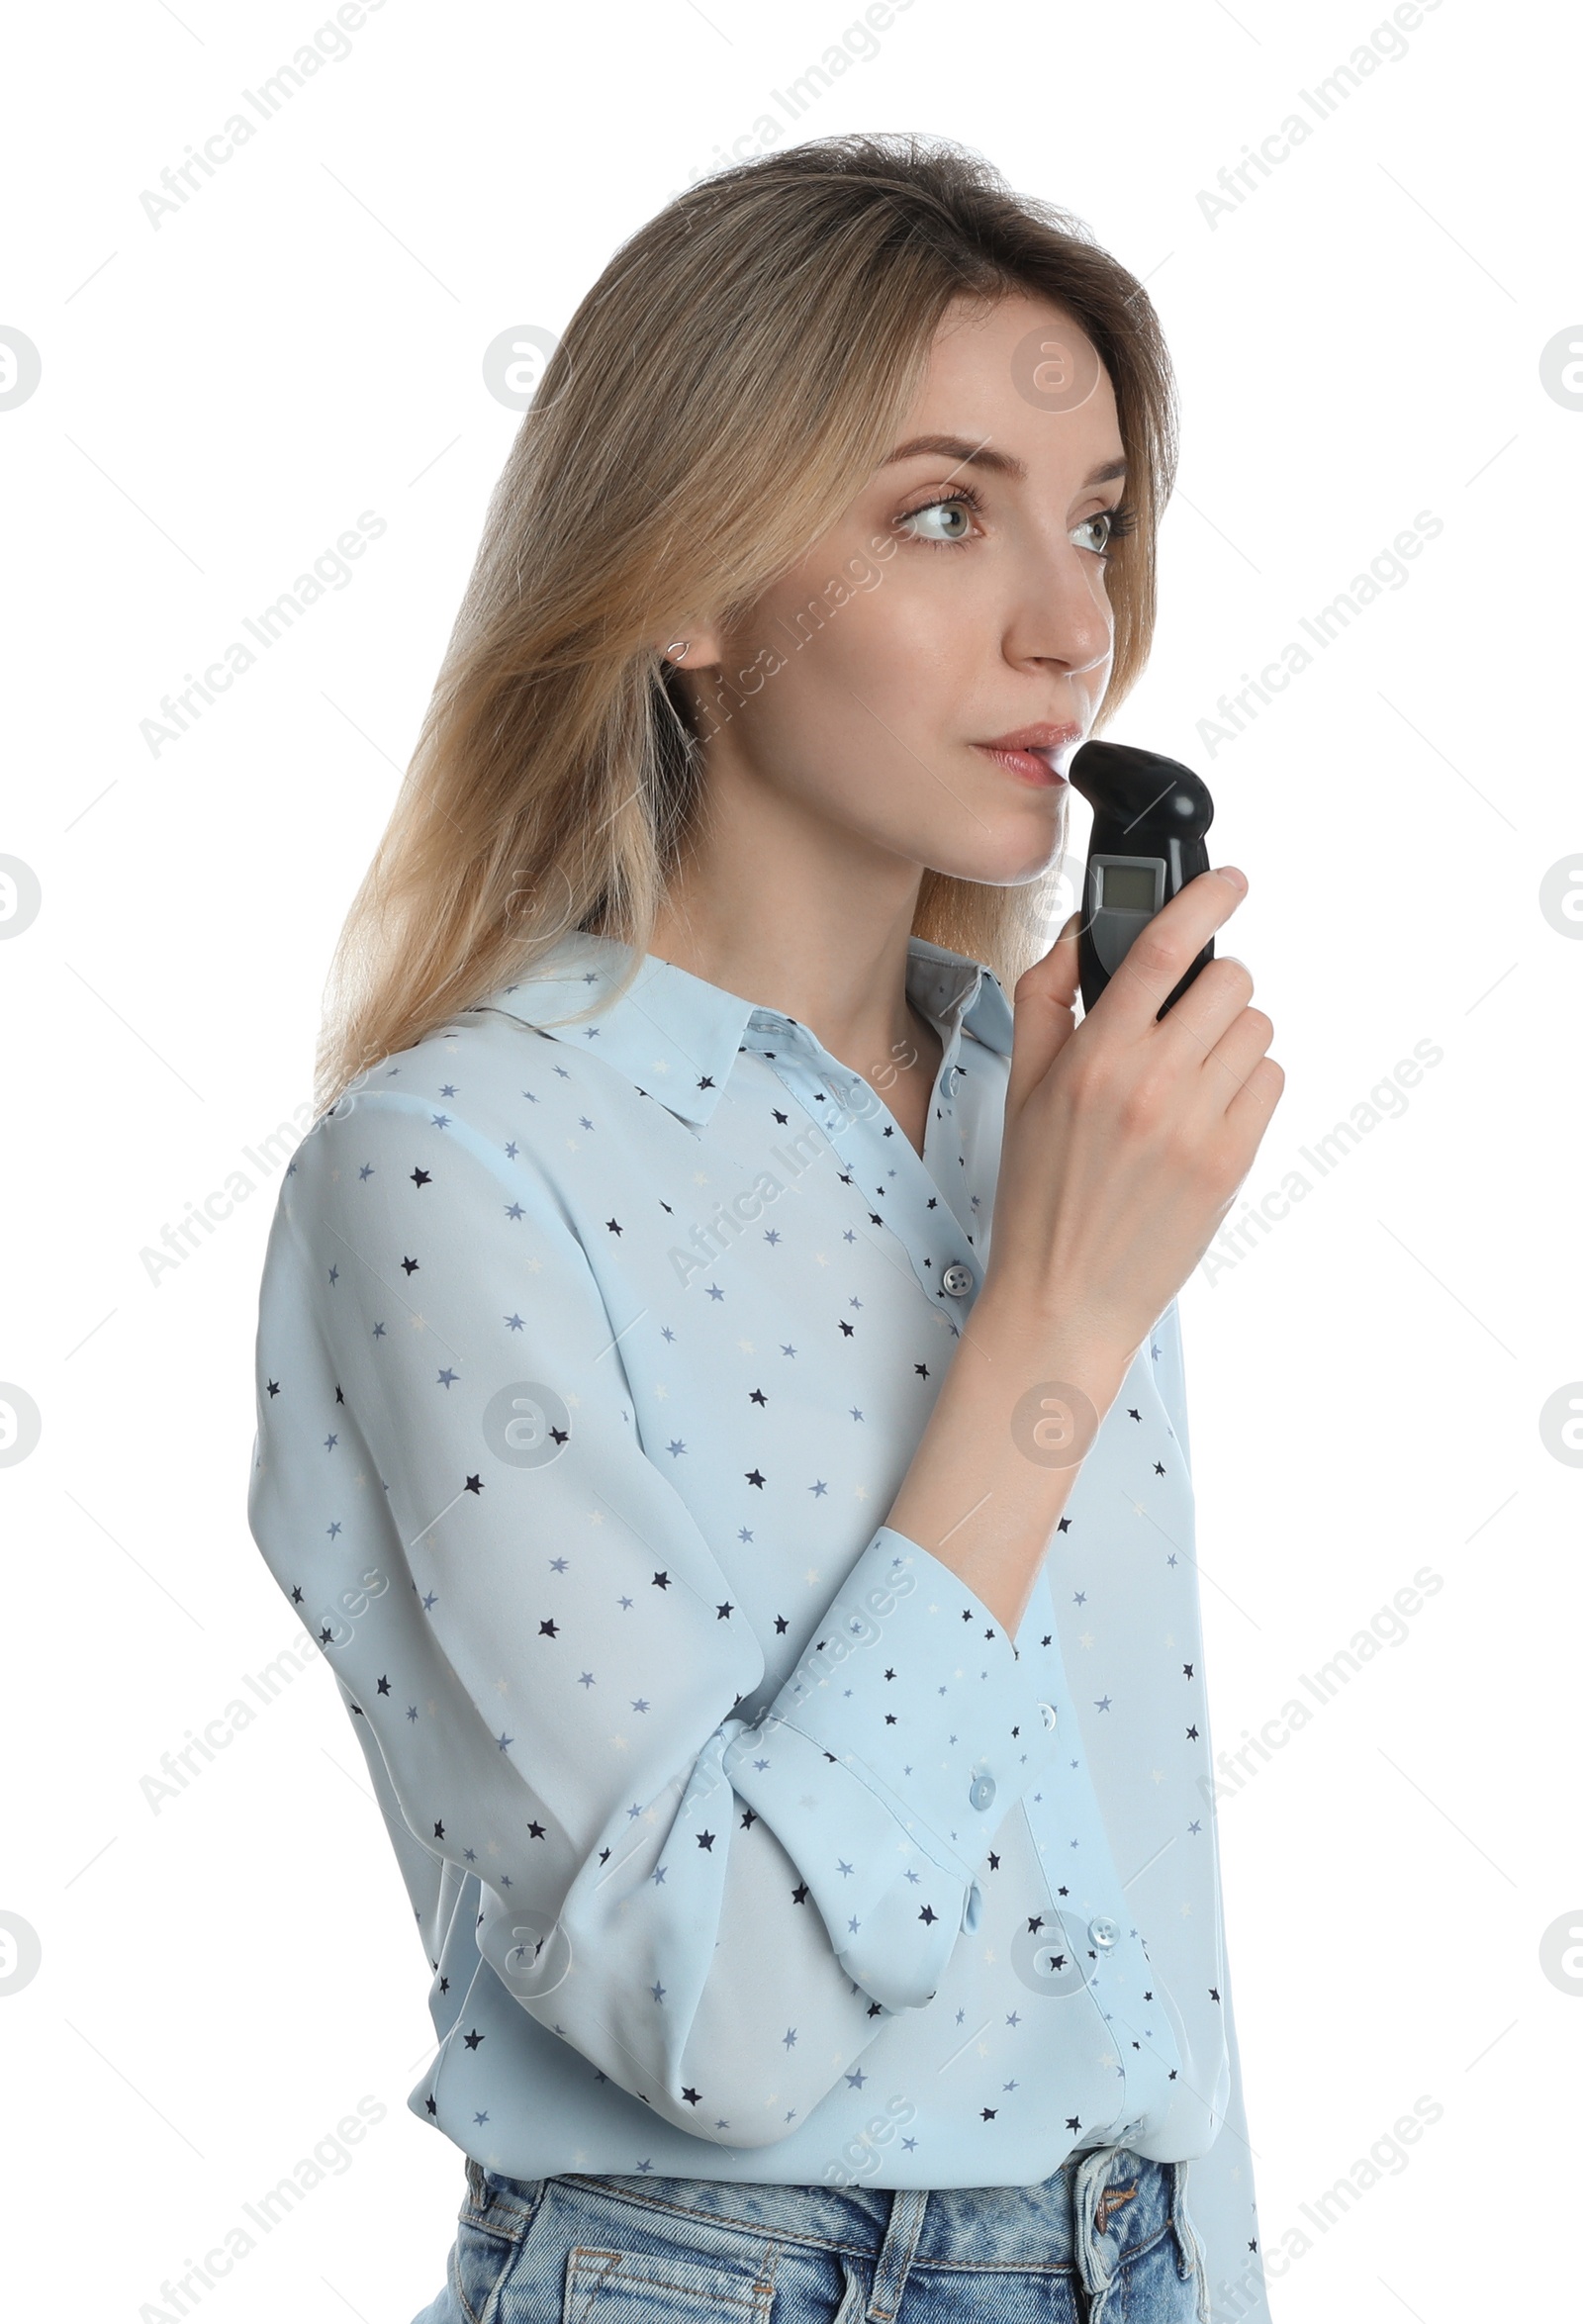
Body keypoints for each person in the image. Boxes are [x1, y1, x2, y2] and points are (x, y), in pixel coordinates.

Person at [246, 133, 1283, 2324]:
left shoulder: (1037, 1111)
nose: (1066, 620)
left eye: (1088, 519)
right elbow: (721, 2024)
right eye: (941, 511)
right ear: (685, 583)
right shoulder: (448, 1169)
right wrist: (1052, 1325)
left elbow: (1135, 1935)